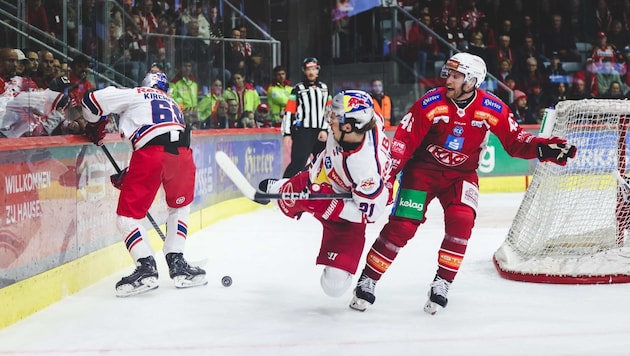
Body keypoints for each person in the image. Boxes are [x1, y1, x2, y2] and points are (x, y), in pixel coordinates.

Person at [348, 53, 577, 315]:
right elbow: (403, 144)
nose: (449, 80)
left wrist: (543, 150)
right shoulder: (430, 103)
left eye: (456, 76)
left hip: (462, 176)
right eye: (449, 74)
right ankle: (368, 279)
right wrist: (387, 178)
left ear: (472, 81)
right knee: (402, 226)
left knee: (462, 221)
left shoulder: (493, 108)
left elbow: (516, 141)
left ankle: (443, 282)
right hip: (422, 173)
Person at [80, 72, 206, 297]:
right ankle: (178, 262)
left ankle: (146, 266)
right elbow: (162, 137)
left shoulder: (135, 94)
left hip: (151, 154)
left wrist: (94, 122)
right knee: (179, 207)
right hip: (183, 153)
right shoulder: (173, 103)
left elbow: (91, 100)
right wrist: (132, 175)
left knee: (127, 217)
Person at [258, 89, 392, 299]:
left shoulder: (366, 170)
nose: (329, 120)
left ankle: (289, 193)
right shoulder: (362, 120)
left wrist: (331, 206)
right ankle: (281, 188)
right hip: (317, 179)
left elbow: (371, 215)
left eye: (335, 116)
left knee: (334, 287)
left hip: (345, 218)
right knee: (283, 198)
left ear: (349, 126)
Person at [282, 57, 331, 178]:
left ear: (318, 71)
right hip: (303, 131)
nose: (311, 72)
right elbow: (289, 111)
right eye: (308, 69)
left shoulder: (324, 89)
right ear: (304, 71)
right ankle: (283, 188)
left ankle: (321, 188)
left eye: (314, 69)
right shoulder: (298, 89)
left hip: (320, 131)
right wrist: (287, 133)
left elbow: (329, 111)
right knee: (298, 163)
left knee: (325, 162)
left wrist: (325, 129)